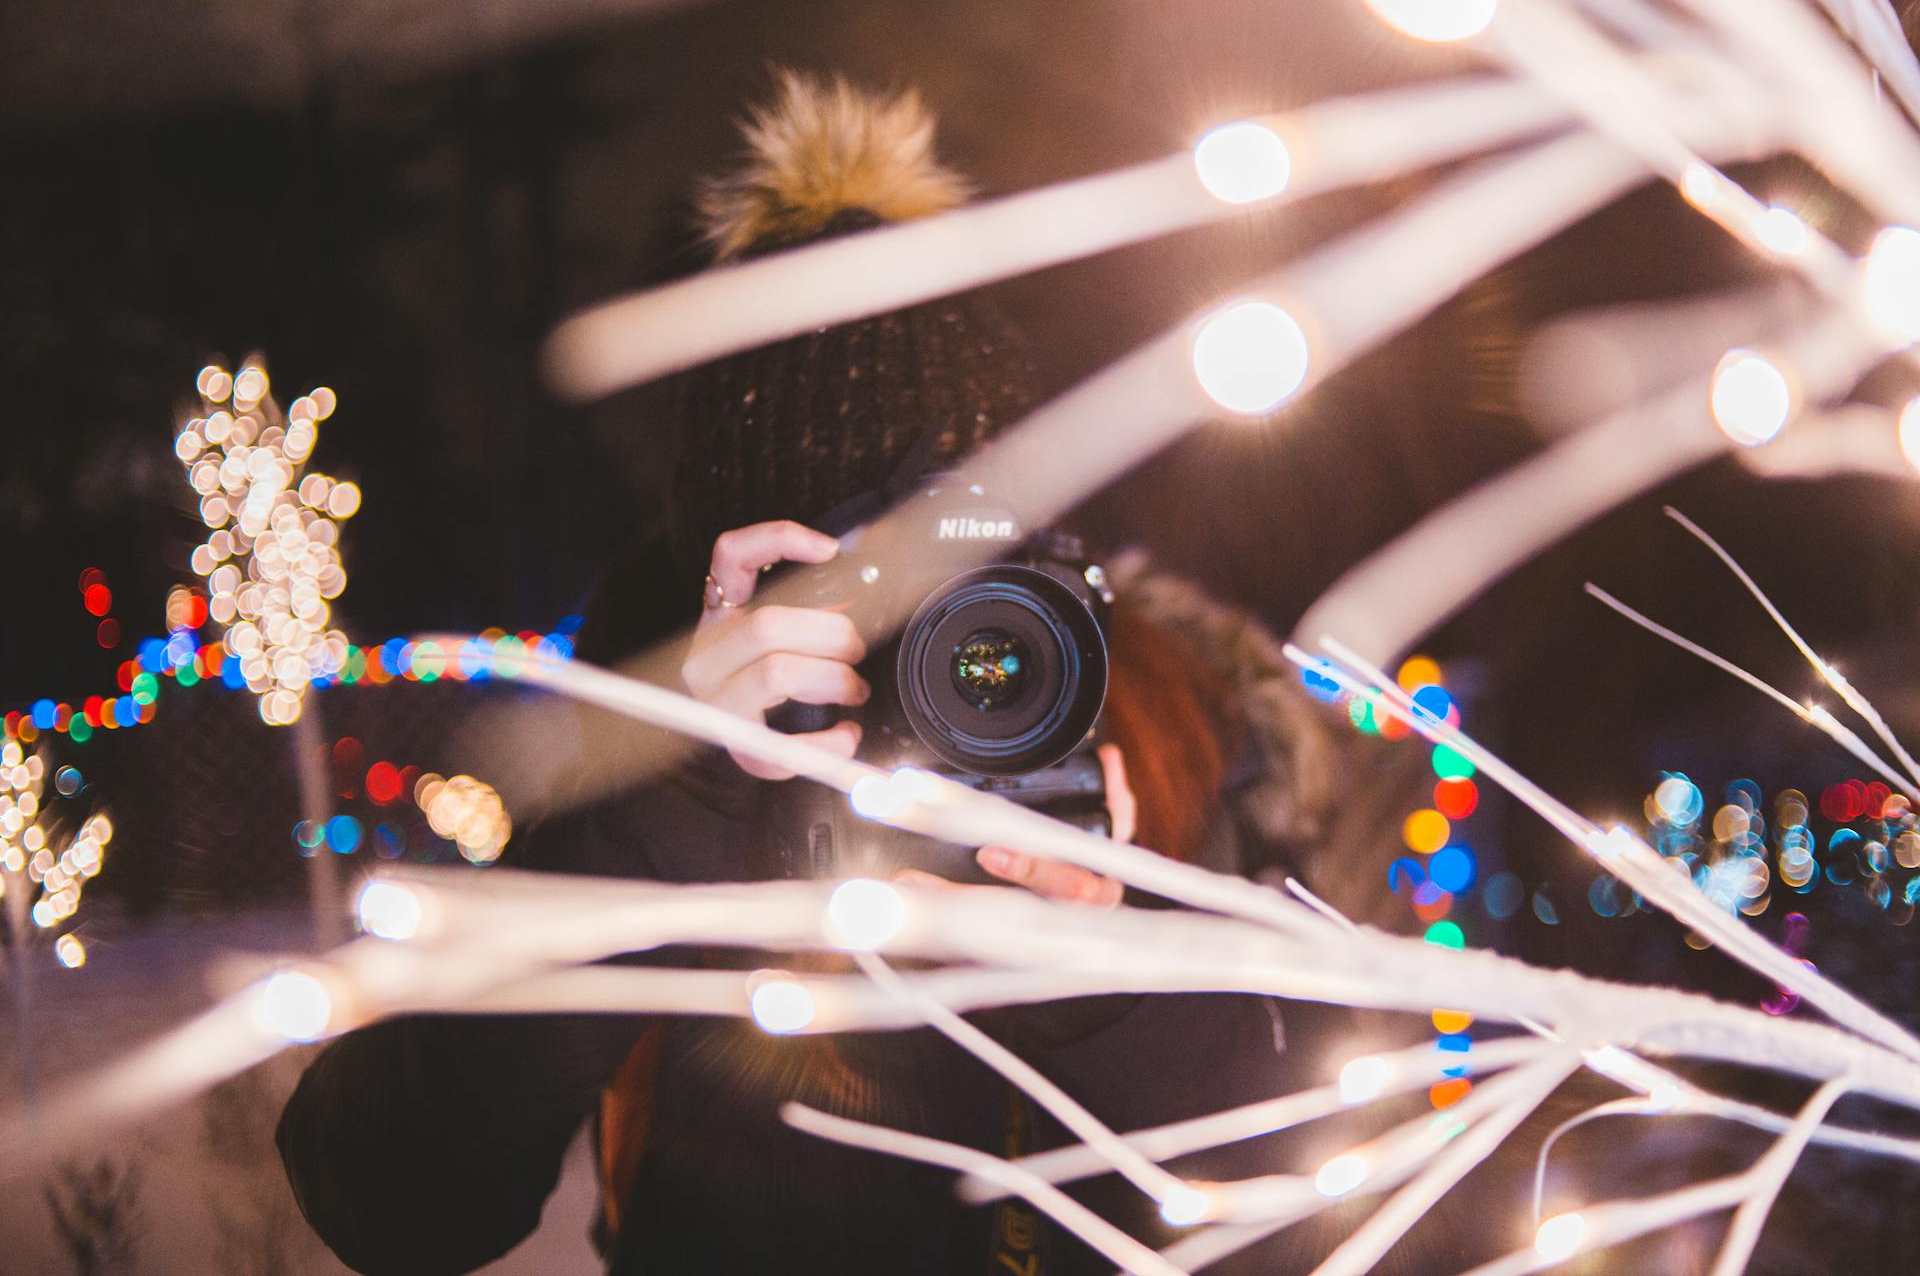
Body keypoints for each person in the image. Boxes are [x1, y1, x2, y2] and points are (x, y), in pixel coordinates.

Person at [278, 71, 1375, 1275]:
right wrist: (664, 809)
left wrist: (1111, 972)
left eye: (951, 591)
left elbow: (1322, 1214)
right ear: (730, 583)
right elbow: (387, 1199)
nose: (916, 655)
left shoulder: (1170, 721)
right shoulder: (659, 763)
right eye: (843, 593)